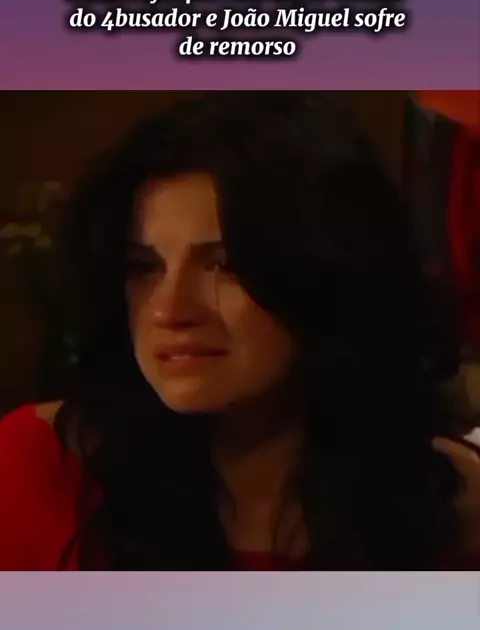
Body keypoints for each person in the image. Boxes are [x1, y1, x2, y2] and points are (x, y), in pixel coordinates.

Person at [1, 91, 479, 571]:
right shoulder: (36, 470)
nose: (169, 310)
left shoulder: (451, 508)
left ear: (332, 271)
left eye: (224, 264)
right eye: (144, 266)